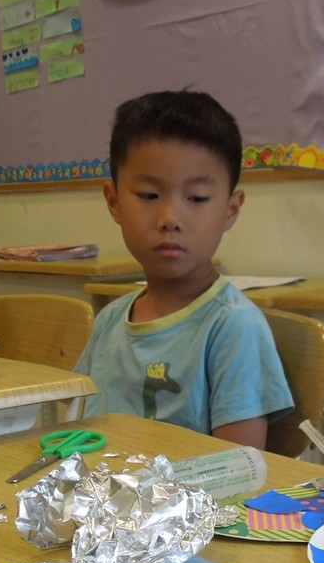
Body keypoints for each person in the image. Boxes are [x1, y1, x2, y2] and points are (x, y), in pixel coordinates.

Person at [73, 90, 293, 450]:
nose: (170, 219)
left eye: (197, 198)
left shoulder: (233, 327)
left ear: (231, 210)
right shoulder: (110, 321)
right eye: (149, 195)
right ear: (113, 202)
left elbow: (238, 468)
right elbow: (78, 425)